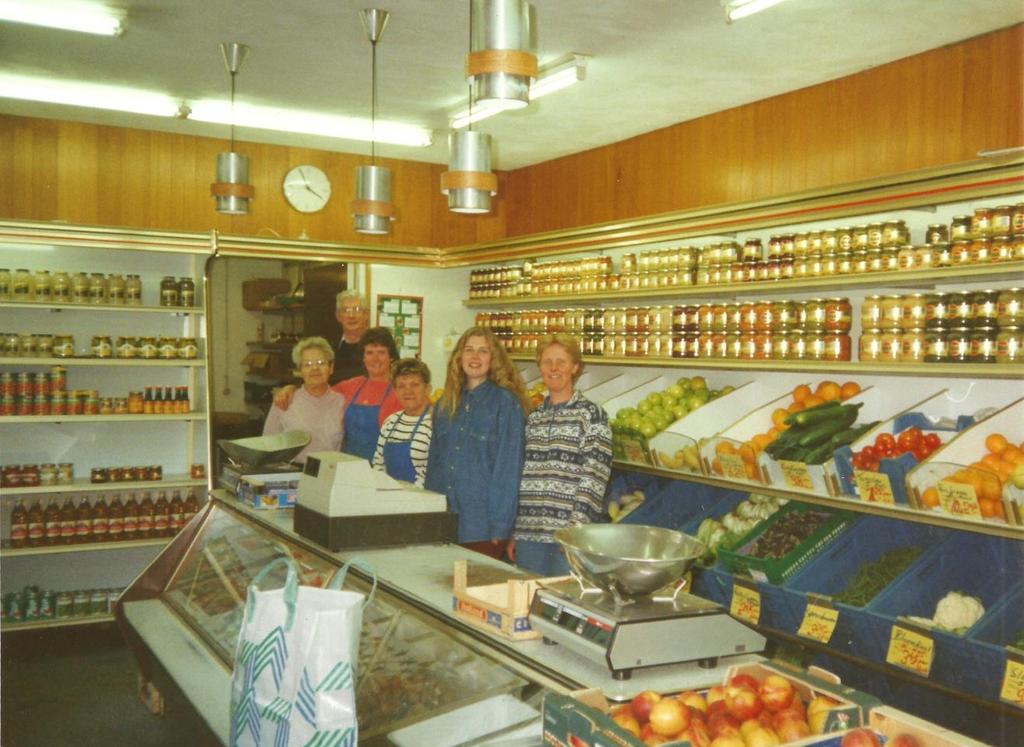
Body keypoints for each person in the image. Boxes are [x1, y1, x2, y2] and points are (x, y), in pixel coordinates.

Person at [511, 334, 612, 576]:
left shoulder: (591, 415)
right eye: (547, 362)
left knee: (564, 605)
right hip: (529, 535)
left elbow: (595, 478)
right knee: (526, 603)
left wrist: (574, 531)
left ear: (575, 367)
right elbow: (521, 475)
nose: (553, 368)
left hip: (567, 539)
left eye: (561, 362)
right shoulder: (534, 416)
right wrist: (514, 531)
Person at [425, 327, 530, 559]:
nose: (475, 357)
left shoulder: (505, 404)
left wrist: (500, 527)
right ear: (458, 357)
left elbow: (508, 470)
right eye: (469, 350)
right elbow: (434, 465)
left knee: (472, 591)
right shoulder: (445, 404)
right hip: (444, 520)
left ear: (493, 359)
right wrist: (429, 515)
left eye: (483, 351)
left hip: (482, 527)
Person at [273, 327, 402, 461]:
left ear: (391, 356)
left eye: (381, 352)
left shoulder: (402, 390)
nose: (375, 359)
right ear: (363, 358)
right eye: (369, 353)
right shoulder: (351, 386)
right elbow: (317, 389)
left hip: (385, 468)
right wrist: (290, 389)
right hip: (348, 467)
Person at [262, 337, 345, 465]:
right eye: (308, 364)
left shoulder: (342, 402)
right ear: (300, 370)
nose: (315, 369)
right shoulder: (284, 401)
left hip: (332, 473)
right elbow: (267, 445)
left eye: (321, 363)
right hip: (292, 475)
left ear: (331, 367)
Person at [371, 358, 433, 486]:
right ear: (395, 391)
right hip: (390, 499)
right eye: (401, 386)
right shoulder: (390, 422)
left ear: (427, 388)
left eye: (415, 385)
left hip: (423, 501)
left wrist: (407, 500)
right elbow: (378, 465)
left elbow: (432, 473)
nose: (408, 391)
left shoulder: (435, 424)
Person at [331, 290, 370, 384]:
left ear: (366, 314)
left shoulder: (380, 346)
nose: (351, 316)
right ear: (338, 316)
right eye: (346, 310)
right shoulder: (330, 348)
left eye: (357, 310)